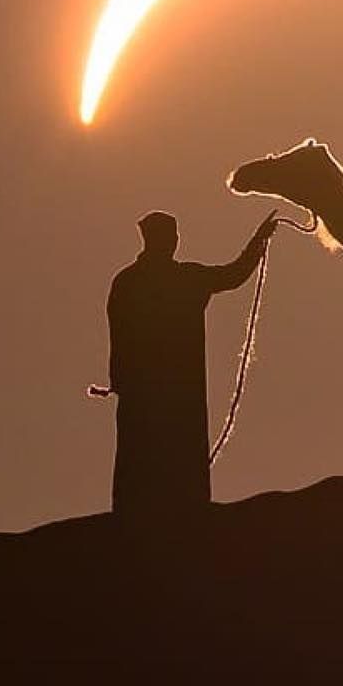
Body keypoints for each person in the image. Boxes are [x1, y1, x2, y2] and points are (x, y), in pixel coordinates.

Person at [105, 208, 279, 520]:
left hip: (155, 390)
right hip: (161, 391)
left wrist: (258, 243)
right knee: (151, 454)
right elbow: (119, 329)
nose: (171, 242)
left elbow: (232, 274)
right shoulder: (166, 280)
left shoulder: (141, 281)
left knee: (158, 454)